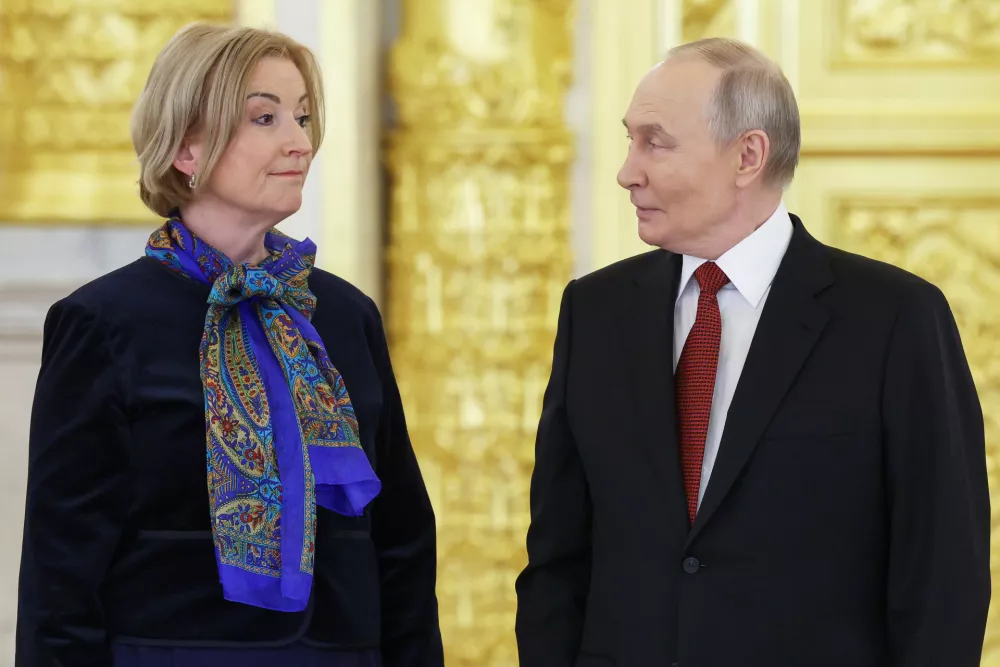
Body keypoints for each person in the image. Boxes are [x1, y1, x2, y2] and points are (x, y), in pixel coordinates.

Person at [515, 37, 990, 667]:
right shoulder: (595, 312)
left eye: (655, 142)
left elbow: (941, 578)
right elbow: (557, 559)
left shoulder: (896, 318)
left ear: (748, 154)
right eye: (629, 140)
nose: (628, 170)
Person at [16, 23, 443, 667]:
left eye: (302, 117)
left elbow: (402, 538)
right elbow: (61, 570)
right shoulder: (101, 323)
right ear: (186, 149)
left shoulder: (346, 315)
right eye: (265, 118)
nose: (300, 142)